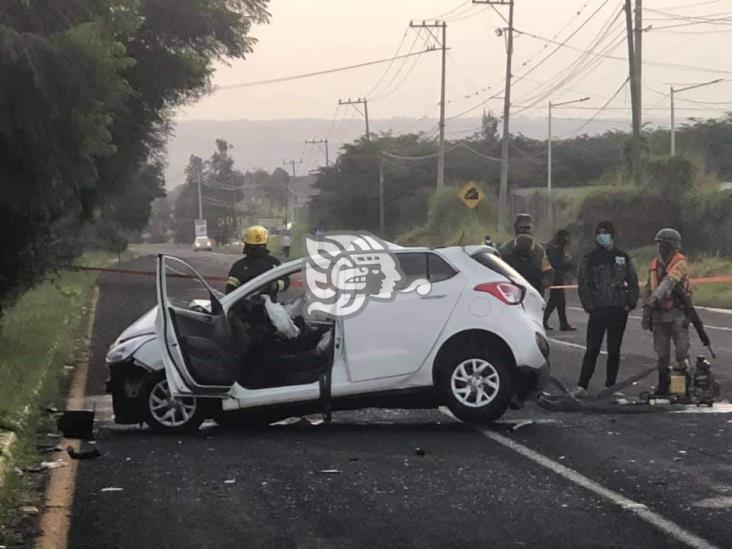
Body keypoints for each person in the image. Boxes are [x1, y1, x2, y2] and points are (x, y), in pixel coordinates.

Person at [575, 221, 639, 396]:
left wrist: (630, 303)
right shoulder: (590, 258)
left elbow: (633, 281)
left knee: (614, 351)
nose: (602, 235)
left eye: (605, 232)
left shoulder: (622, 257)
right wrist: (589, 306)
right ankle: (582, 385)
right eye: (599, 232)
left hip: (618, 309)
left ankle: (610, 385)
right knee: (592, 349)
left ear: (612, 235)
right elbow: (583, 284)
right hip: (598, 310)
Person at [641, 228, 690, 396]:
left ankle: (681, 388)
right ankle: (663, 386)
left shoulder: (680, 262)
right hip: (658, 314)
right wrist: (646, 311)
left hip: (677, 313)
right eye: (659, 243)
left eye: (663, 244)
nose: (659, 247)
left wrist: (653, 299)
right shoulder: (654, 263)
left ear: (672, 246)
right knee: (661, 353)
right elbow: (649, 287)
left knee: (681, 352)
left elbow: (669, 283)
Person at [225, 225, 287, 295]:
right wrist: (273, 286)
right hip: (268, 305)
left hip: (247, 305)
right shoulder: (273, 263)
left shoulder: (239, 266)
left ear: (247, 245)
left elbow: (230, 291)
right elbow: (285, 282)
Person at [499, 213, 553, 292]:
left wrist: (543, 284)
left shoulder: (540, 251)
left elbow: (548, 272)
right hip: (512, 293)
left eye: (528, 228)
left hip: (535, 293)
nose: (525, 231)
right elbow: (498, 271)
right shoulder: (505, 250)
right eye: (522, 228)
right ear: (516, 228)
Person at [543, 229, 576, 331]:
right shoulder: (555, 247)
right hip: (555, 277)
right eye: (567, 237)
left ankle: (562, 323)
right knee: (556, 301)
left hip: (556, 276)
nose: (568, 239)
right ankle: (545, 321)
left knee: (557, 302)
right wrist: (568, 265)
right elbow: (555, 264)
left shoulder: (557, 246)